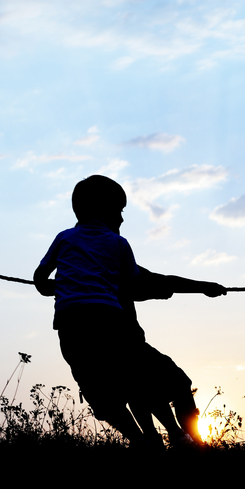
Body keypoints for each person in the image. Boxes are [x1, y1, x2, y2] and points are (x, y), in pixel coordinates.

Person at [33, 174, 226, 446]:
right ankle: (191, 441)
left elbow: (40, 281)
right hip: (112, 327)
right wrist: (201, 286)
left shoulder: (64, 240)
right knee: (165, 381)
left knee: (103, 391)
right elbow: (144, 282)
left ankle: (143, 441)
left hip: (71, 330)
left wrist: (64, 286)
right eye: (119, 211)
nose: (122, 219)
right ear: (103, 210)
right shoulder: (117, 246)